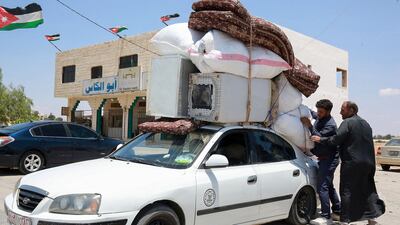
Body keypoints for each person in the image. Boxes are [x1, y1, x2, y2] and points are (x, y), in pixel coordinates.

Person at [311, 101, 385, 225]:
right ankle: (372, 219)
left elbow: (336, 140)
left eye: (342, 110)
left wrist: (320, 139)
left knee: (347, 190)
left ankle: (344, 220)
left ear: (351, 110)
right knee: (367, 189)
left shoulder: (347, 122)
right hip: (369, 163)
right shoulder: (366, 123)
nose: (340, 112)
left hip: (352, 163)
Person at [301, 99, 341, 225]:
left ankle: (326, 217)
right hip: (324, 158)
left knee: (322, 187)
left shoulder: (331, 125)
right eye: (318, 110)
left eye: (321, 112)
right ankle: (338, 211)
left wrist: (309, 125)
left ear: (328, 112)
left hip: (329, 159)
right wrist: (303, 108)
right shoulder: (320, 116)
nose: (318, 113)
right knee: (328, 186)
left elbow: (317, 137)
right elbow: (313, 114)